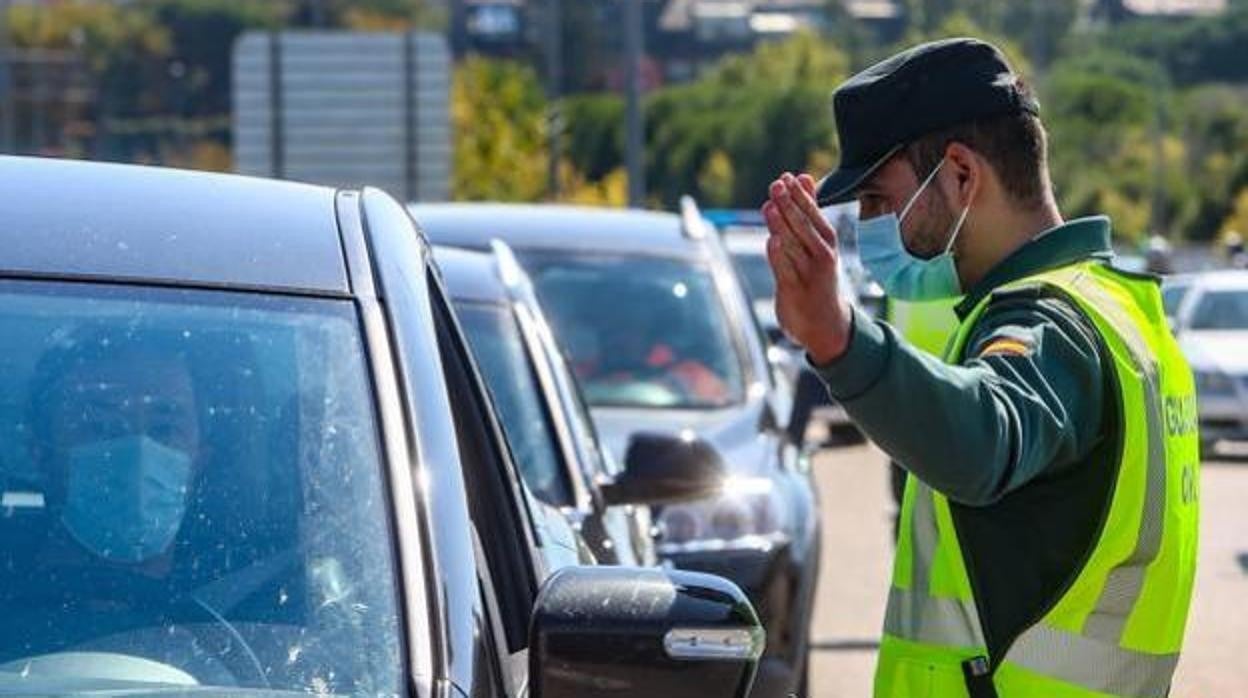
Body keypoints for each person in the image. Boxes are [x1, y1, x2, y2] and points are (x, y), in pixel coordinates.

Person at [762, 38, 1199, 697]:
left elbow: (985, 437)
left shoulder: (1051, 326)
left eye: (879, 200)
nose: (869, 226)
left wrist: (837, 336)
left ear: (963, 175)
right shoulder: (1116, 308)